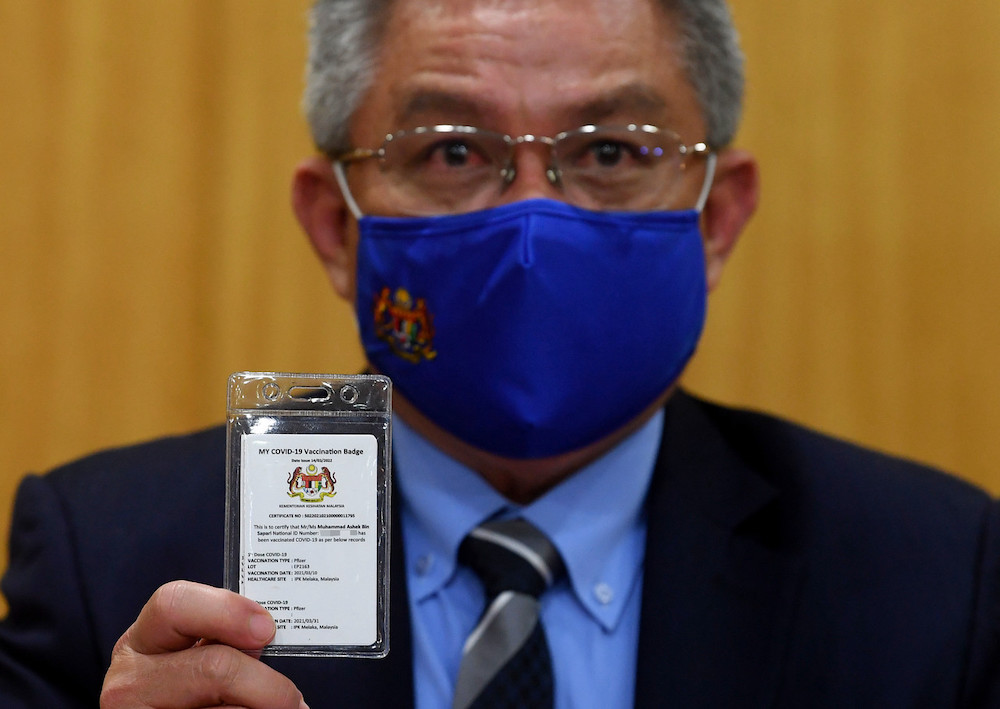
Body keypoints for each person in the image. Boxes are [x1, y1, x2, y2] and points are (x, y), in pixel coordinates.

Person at [2, 0, 999, 706]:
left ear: (718, 218)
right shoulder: (110, 567)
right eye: (451, 150)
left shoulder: (938, 580)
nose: (532, 223)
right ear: (332, 226)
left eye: (611, 152)